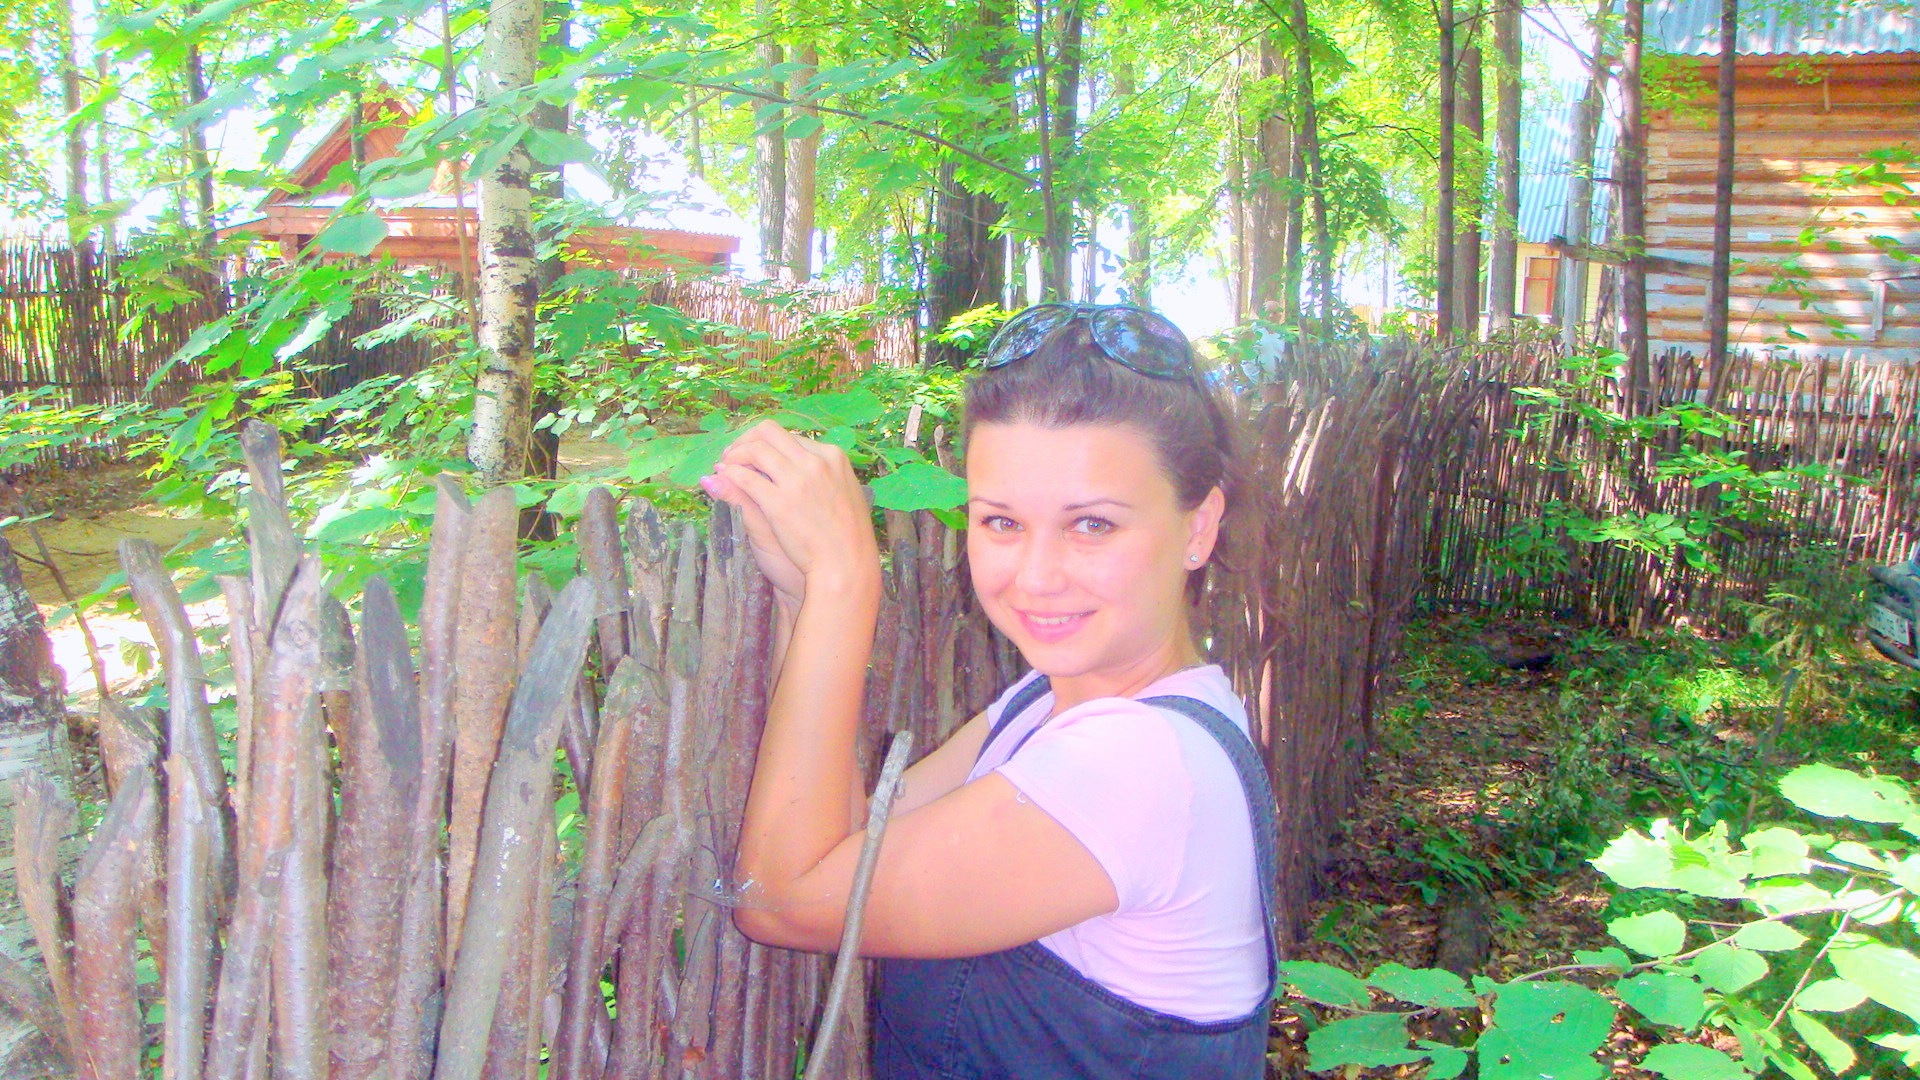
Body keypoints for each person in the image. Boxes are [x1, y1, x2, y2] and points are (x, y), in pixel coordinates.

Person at [701, 302, 1278, 1078]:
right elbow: (850, 841)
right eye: (1002, 522)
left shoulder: (1142, 766)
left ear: (1199, 527)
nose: (1035, 577)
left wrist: (847, 585)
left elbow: (777, 898)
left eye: (1093, 525)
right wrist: (807, 597)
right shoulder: (1048, 702)